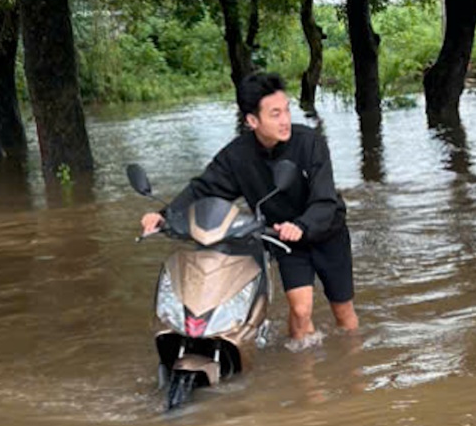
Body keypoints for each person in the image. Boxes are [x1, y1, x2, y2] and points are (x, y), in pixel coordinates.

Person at [142, 73, 357, 343]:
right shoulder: (237, 156)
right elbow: (203, 188)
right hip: (283, 237)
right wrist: (164, 216)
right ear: (252, 121)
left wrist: (301, 225)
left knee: (343, 310)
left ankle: (353, 361)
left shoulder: (310, 142)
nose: (285, 120)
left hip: (326, 231)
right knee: (301, 310)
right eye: (275, 114)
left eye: (286, 110)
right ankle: (306, 368)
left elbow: (324, 198)